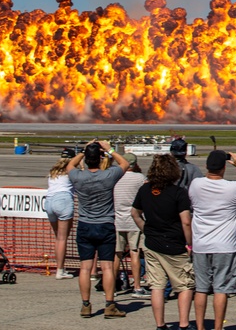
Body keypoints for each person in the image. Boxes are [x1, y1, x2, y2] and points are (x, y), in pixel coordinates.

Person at [65, 141, 130, 318]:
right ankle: (109, 304)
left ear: (86, 160)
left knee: (85, 267)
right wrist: (108, 149)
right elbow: (125, 164)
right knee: (107, 267)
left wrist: (83, 151)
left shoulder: (78, 176)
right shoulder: (108, 175)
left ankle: (86, 304)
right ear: (101, 159)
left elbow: (69, 165)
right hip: (105, 224)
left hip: (85, 224)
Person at [188, 150, 236, 330]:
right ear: (224, 167)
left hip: (201, 244)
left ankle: (200, 326)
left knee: (201, 288)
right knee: (221, 289)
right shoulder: (233, 188)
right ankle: (217, 327)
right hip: (225, 246)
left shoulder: (196, 184)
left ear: (207, 166)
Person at [132, 154, 196, 330]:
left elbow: (134, 213)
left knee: (157, 286)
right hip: (174, 244)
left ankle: (160, 324)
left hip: (153, 243)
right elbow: (186, 221)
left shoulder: (145, 190)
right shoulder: (178, 193)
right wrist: (189, 243)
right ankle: (183, 323)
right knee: (184, 285)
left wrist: (146, 229)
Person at [112, 153, 150, 298]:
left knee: (117, 254)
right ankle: (137, 286)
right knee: (134, 252)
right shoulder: (140, 178)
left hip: (118, 219)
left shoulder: (115, 177)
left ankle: (113, 286)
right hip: (134, 220)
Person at [44, 157, 74, 279]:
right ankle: (60, 270)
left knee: (58, 238)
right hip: (63, 199)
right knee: (62, 238)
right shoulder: (71, 172)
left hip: (49, 201)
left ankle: (60, 267)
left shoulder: (54, 172)